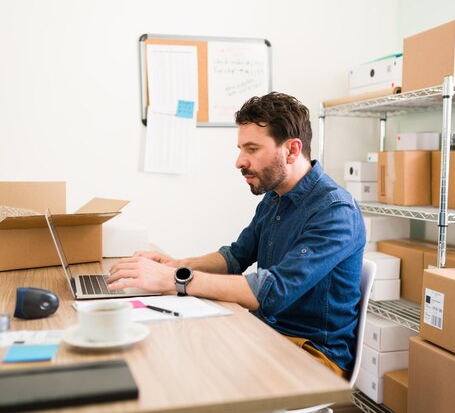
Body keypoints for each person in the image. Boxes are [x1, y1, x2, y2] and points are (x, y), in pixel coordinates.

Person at [108, 92, 366, 377]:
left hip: (312, 352)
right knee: (169, 350)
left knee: (187, 370)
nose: (239, 161)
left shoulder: (335, 211)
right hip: (266, 331)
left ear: (292, 150)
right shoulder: (275, 197)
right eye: (241, 148)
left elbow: (271, 292)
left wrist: (174, 280)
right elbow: (235, 257)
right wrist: (176, 265)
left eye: (252, 149)